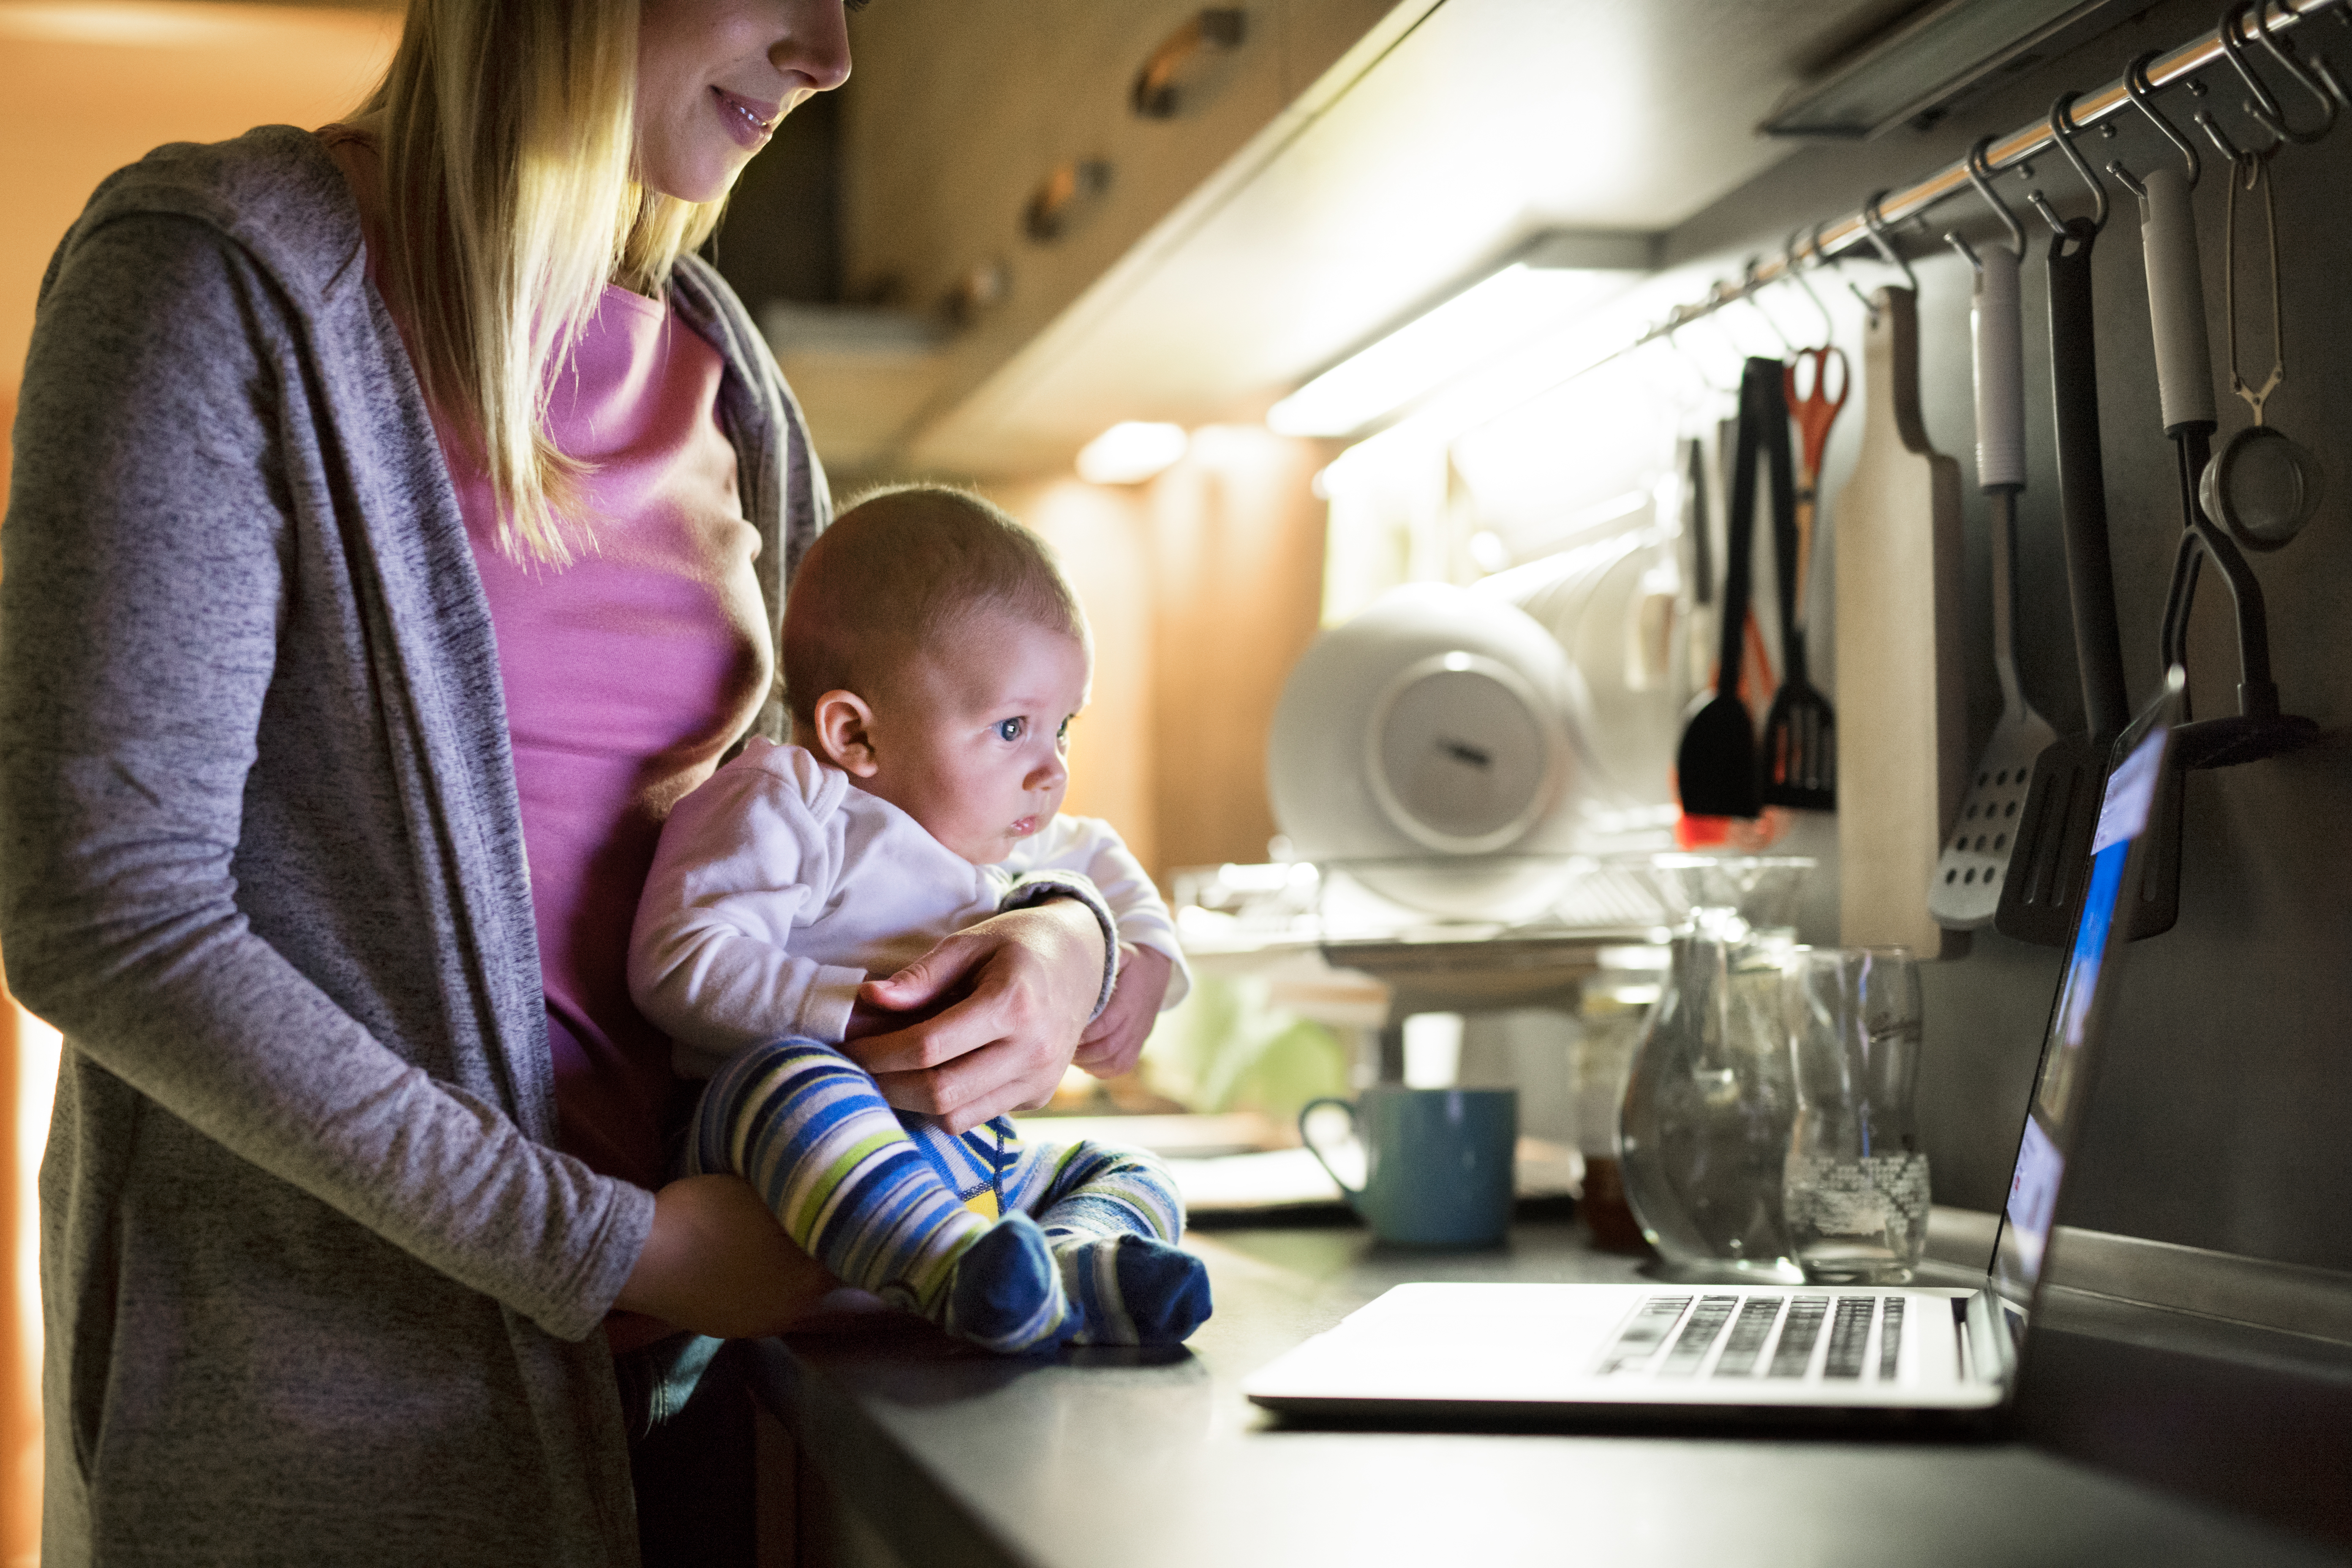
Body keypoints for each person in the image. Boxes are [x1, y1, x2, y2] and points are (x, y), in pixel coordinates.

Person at [0, 1, 1142, 1561]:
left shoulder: (718, 364)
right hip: (324, 1444)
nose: (832, 55)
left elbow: (836, 815)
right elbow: (105, 916)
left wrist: (1057, 935)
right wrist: (618, 1248)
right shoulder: (214, 273)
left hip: (688, 1397)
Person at [631, 486, 1211, 1354]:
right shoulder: (792, 801)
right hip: (776, 1155)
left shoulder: (999, 828)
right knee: (795, 1073)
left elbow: (1100, 857)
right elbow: (681, 961)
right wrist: (851, 1010)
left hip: (959, 1155)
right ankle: (955, 1271)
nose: (1049, 769)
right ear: (855, 735)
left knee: (1132, 1170)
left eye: (1064, 728)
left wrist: (1149, 960)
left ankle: (1057, 1269)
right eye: (1013, 726)